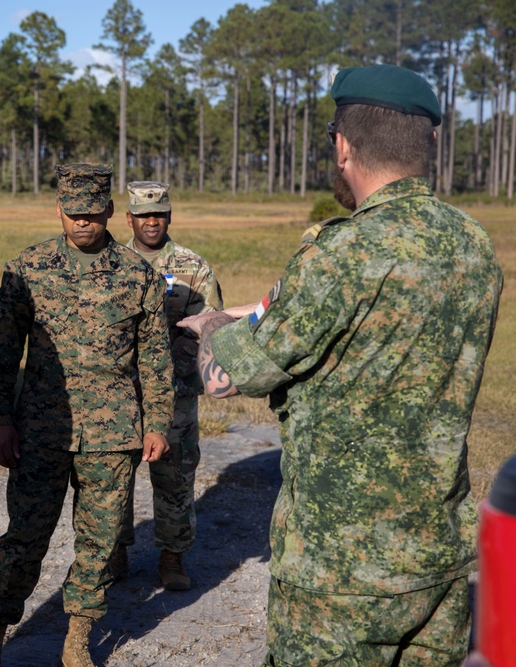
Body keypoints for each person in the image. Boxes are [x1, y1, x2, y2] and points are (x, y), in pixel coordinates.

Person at [180, 64, 503, 666]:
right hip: (439, 555)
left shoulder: (342, 253)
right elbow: (373, 320)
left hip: (341, 572)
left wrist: (212, 325)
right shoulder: (473, 245)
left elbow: (237, 377)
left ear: (343, 144)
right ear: (427, 144)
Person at [0, 164, 174, 667]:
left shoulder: (139, 276)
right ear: (58, 209)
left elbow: (154, 356)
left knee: (100, 541)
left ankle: (77, 635)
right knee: (23, 538)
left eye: (92, 213)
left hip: (114, 434)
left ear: (108, 211)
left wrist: (157, 422)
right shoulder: (27, 268)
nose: (83, 223)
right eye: (73, 213)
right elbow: (1, 353)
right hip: (41, 431)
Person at [111, 181, 223, 591]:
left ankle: (172, 557)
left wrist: (183, 344)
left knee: (174, 477)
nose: (151, 222)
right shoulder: (113, 262)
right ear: (129, 219)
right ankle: (115, 551)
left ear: (170, 216)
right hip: (121, 393)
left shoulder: (193, 267)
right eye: (143, 215)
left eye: (158, 214)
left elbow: (211, 324)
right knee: (114, 475)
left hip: (175, 392)